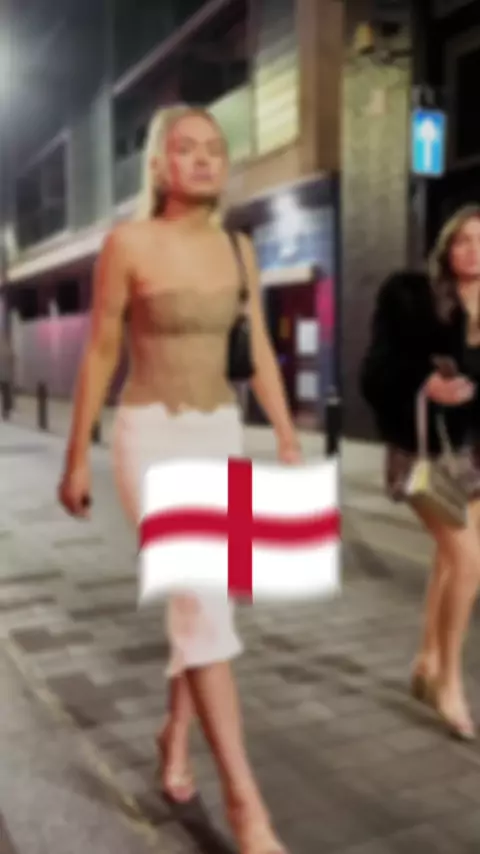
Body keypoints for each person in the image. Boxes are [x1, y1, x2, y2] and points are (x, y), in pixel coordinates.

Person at [58, 104, 301, 854]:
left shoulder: (238, 247)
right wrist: (76, 454)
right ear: (160, 166)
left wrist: (286, 435)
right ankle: (247, 808)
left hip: (220, 434)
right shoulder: (127, 243)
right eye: (185, 148)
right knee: (201, 600)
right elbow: (101, 351)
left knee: (206, 606)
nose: (201, 159)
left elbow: (259, 350)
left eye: (214, 149)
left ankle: (174, 734)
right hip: (150, 436)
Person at [360, 205, 480, 742]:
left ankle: (427, 661)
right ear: (446, 248)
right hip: (422, 454)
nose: (473, 250)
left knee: (449, 559)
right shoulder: (413, 299)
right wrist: (424, 385)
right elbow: (374, 370)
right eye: (463, 240)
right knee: (468, 559)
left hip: (473, 456)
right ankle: (450, 682)